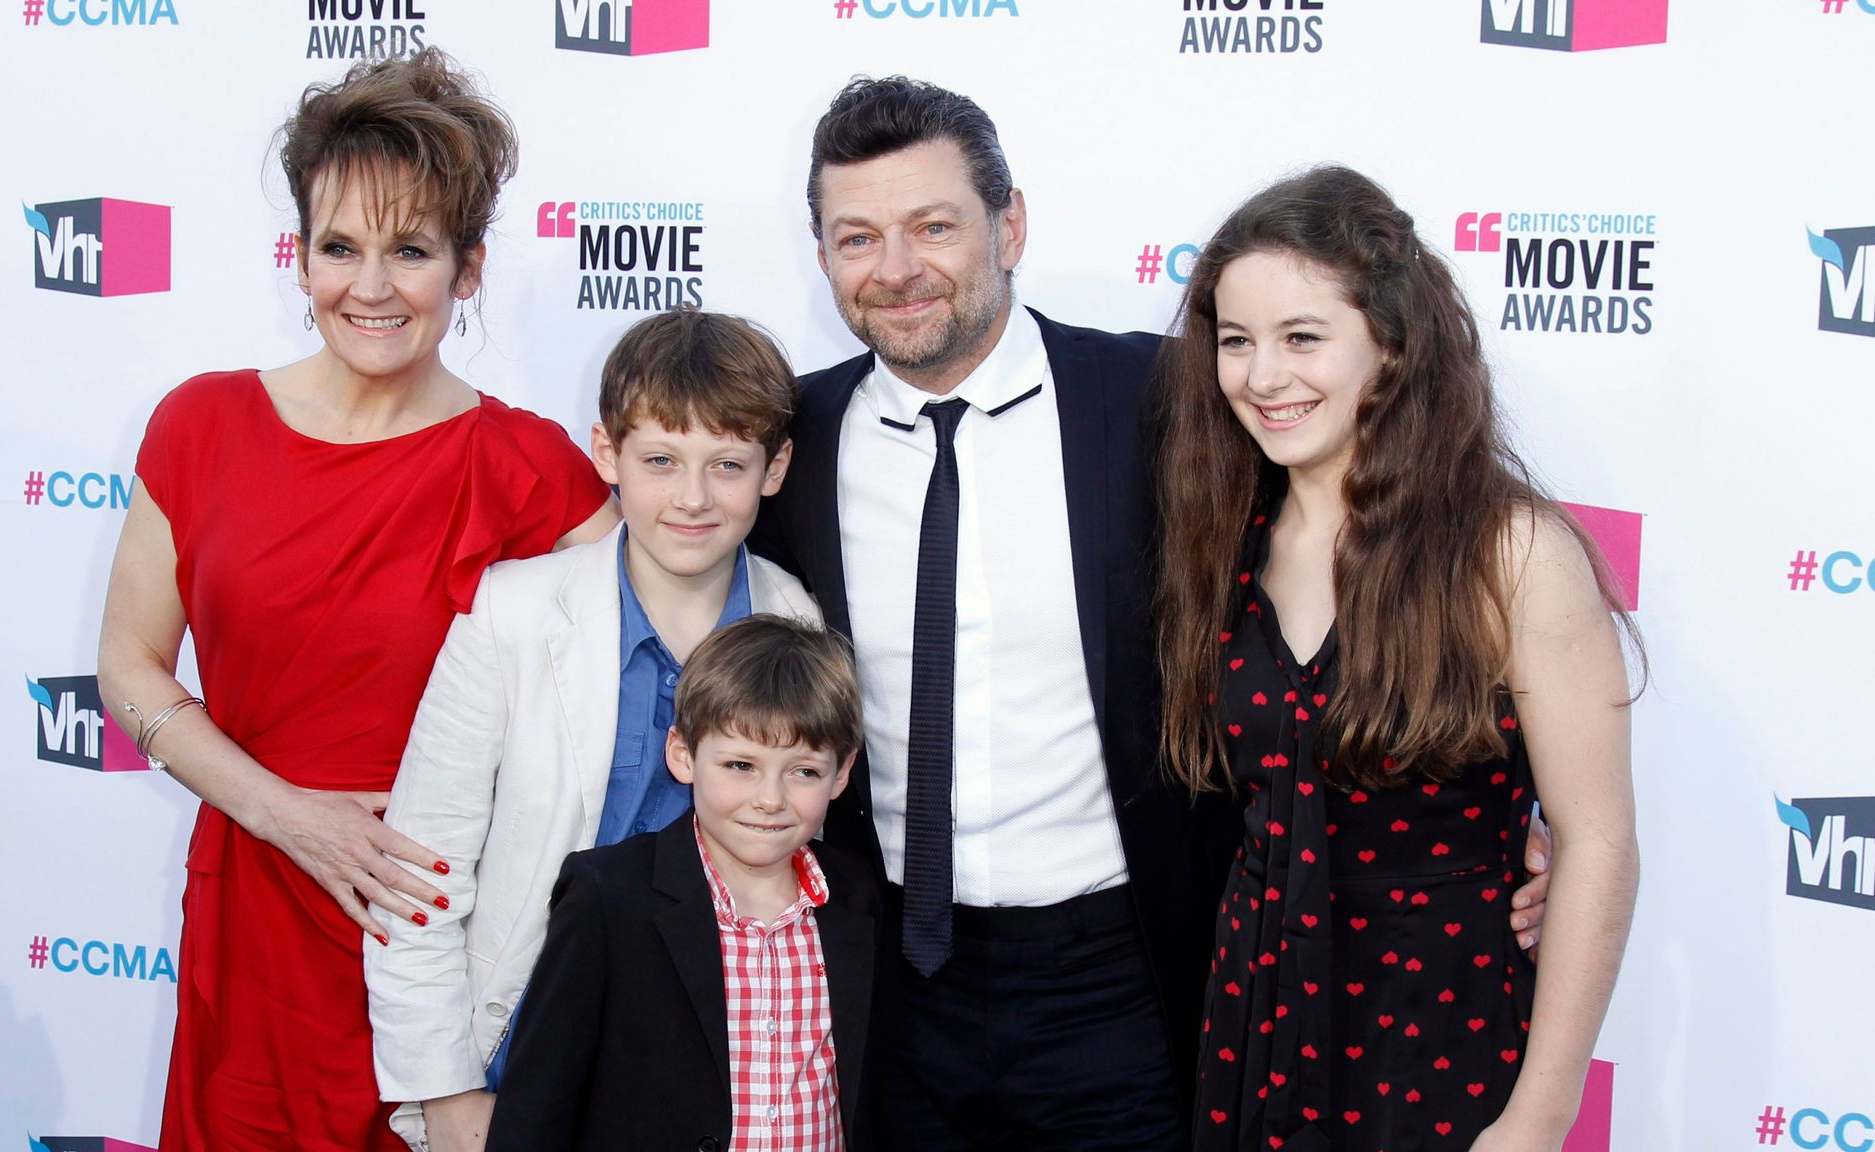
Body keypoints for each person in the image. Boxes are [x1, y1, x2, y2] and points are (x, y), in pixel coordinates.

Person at [751, 77, 1556, 1150]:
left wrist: (1512, 815)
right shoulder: (788, 436)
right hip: (883, 985)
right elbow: (668, 584)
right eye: (855, 238)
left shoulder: (1171, 401)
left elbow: (1361, 567)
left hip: (1122, 983)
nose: (894, 269)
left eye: (930, 226)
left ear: (1010, 224)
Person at [96, 49, 615, 1152]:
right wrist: (284, 813)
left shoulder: (531, 470)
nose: (368, 288)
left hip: (430, 947)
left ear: (468, 268)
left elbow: (649, 671)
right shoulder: (200, 426)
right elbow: (130, 665)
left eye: (411, 251)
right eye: (339, 248)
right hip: (249, 913)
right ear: (299, 257)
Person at [1152, 165, 1639, 1151]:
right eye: (1236, 342)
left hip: (1439, 1033)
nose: (1261, 377)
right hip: (1256, 1022)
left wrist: (1539, 1118)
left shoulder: (1508, 553)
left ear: (1391, 342)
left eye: (1300, 338)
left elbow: (1595, 844)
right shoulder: (1225, 539)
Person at [363, 309, 820, 1152]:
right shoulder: (512, 613)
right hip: (534, 1048)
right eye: (660, 461)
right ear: (606, 454)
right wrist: (447, 1093)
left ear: (775, 468)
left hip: (733, 1056)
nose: (692, 497)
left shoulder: (802, 621)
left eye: (727, 464)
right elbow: (418, 875)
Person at [482, 614, 879, 1152]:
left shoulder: (861, 897)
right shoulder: (607, 895)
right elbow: (537, 1107)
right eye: (741, 765)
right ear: (683, 755)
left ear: (841, 774)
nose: (770, 798)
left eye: (803, 771)